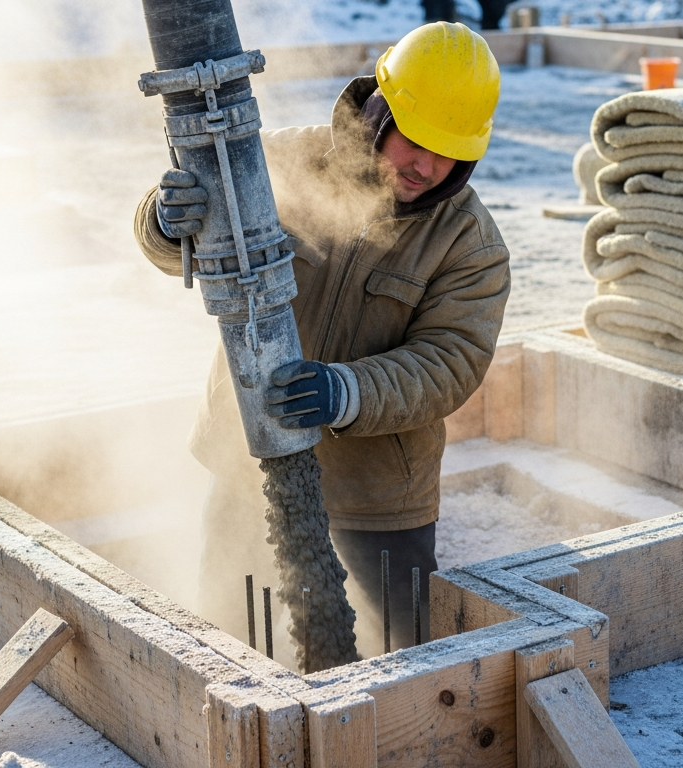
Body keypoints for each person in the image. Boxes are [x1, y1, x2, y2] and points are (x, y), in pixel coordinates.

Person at [133, 22, 508, 655]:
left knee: (396, 670)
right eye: (416, 141)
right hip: (247, 464)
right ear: (379, 114)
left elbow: (451, 362)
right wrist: (169, 226)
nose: (427, 166)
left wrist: (347, 391)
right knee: (229, 649)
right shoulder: (280, 163)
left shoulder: (469, 244)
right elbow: (181, 247)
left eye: (450, 150)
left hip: (378, 500)